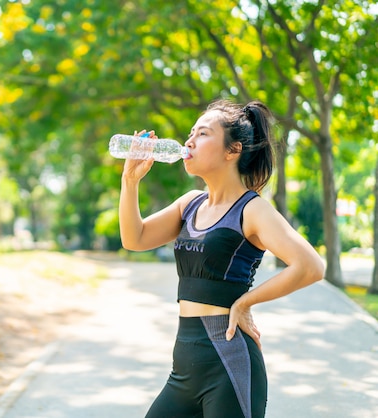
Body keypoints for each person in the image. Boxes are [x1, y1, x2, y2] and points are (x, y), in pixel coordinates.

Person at [118, 99, 325, 418]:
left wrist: (244, 303)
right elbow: (135, 238)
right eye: (190, 133)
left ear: (233, 150)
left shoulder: (251, 209)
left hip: (230, 364)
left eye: (202, 134)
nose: (189, 141)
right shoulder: (188, 205)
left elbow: (311, 266)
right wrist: (130, 182)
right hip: (184, 368)